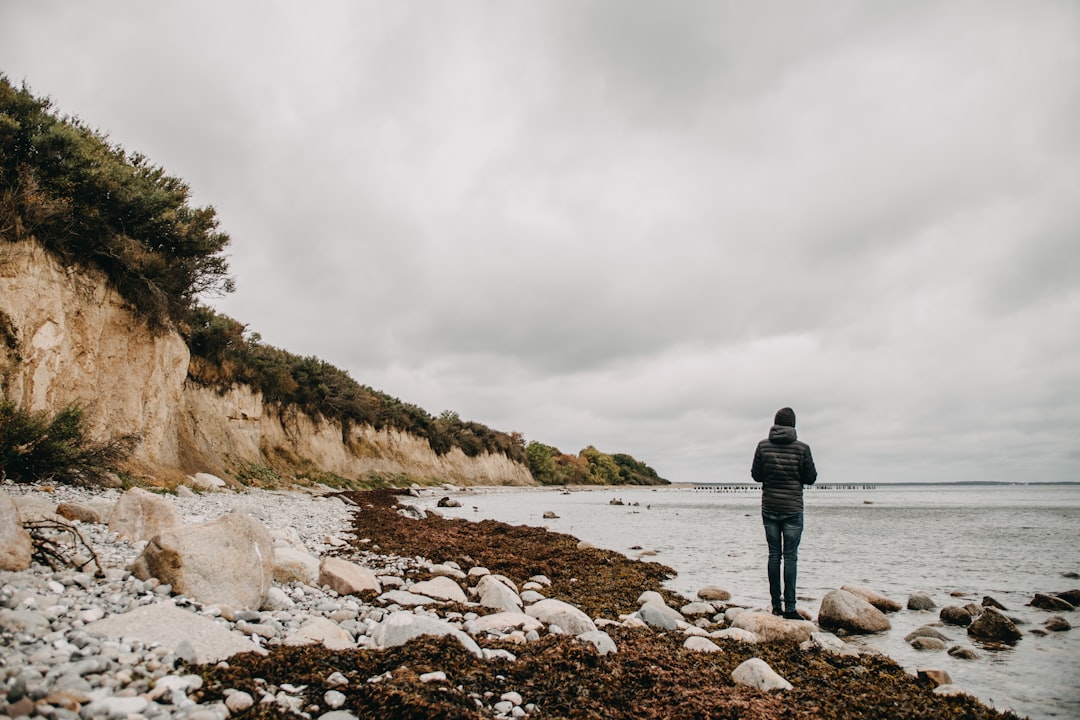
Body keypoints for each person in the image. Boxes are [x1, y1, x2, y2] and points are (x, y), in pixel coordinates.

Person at [751, 407, 817, 619]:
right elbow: (810, 478)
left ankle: (775, 605)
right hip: (792, 509)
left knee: (773, 556)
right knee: (790, 557)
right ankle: (790, 608)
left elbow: (756, 475)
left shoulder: (763, 446)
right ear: (793, 425)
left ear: (775, 423)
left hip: (770, 507)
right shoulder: (802, 449)